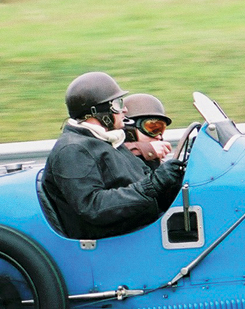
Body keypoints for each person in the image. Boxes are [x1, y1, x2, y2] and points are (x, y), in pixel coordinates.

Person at [42, 72, 185, 239]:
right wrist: (153, 184)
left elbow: (136, 179)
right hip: (120, 240)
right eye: (117, 104)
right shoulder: (73, 149)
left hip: (145, 227)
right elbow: (93, 207)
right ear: (98, 111)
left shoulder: (108, 139)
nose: (124, 109)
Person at [123, 93, 173, 170]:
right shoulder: (116, 160)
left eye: (160, 129)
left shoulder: (153, 161)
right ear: (130, 131)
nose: (158, 136)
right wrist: (147, 149)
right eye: (152, 129)